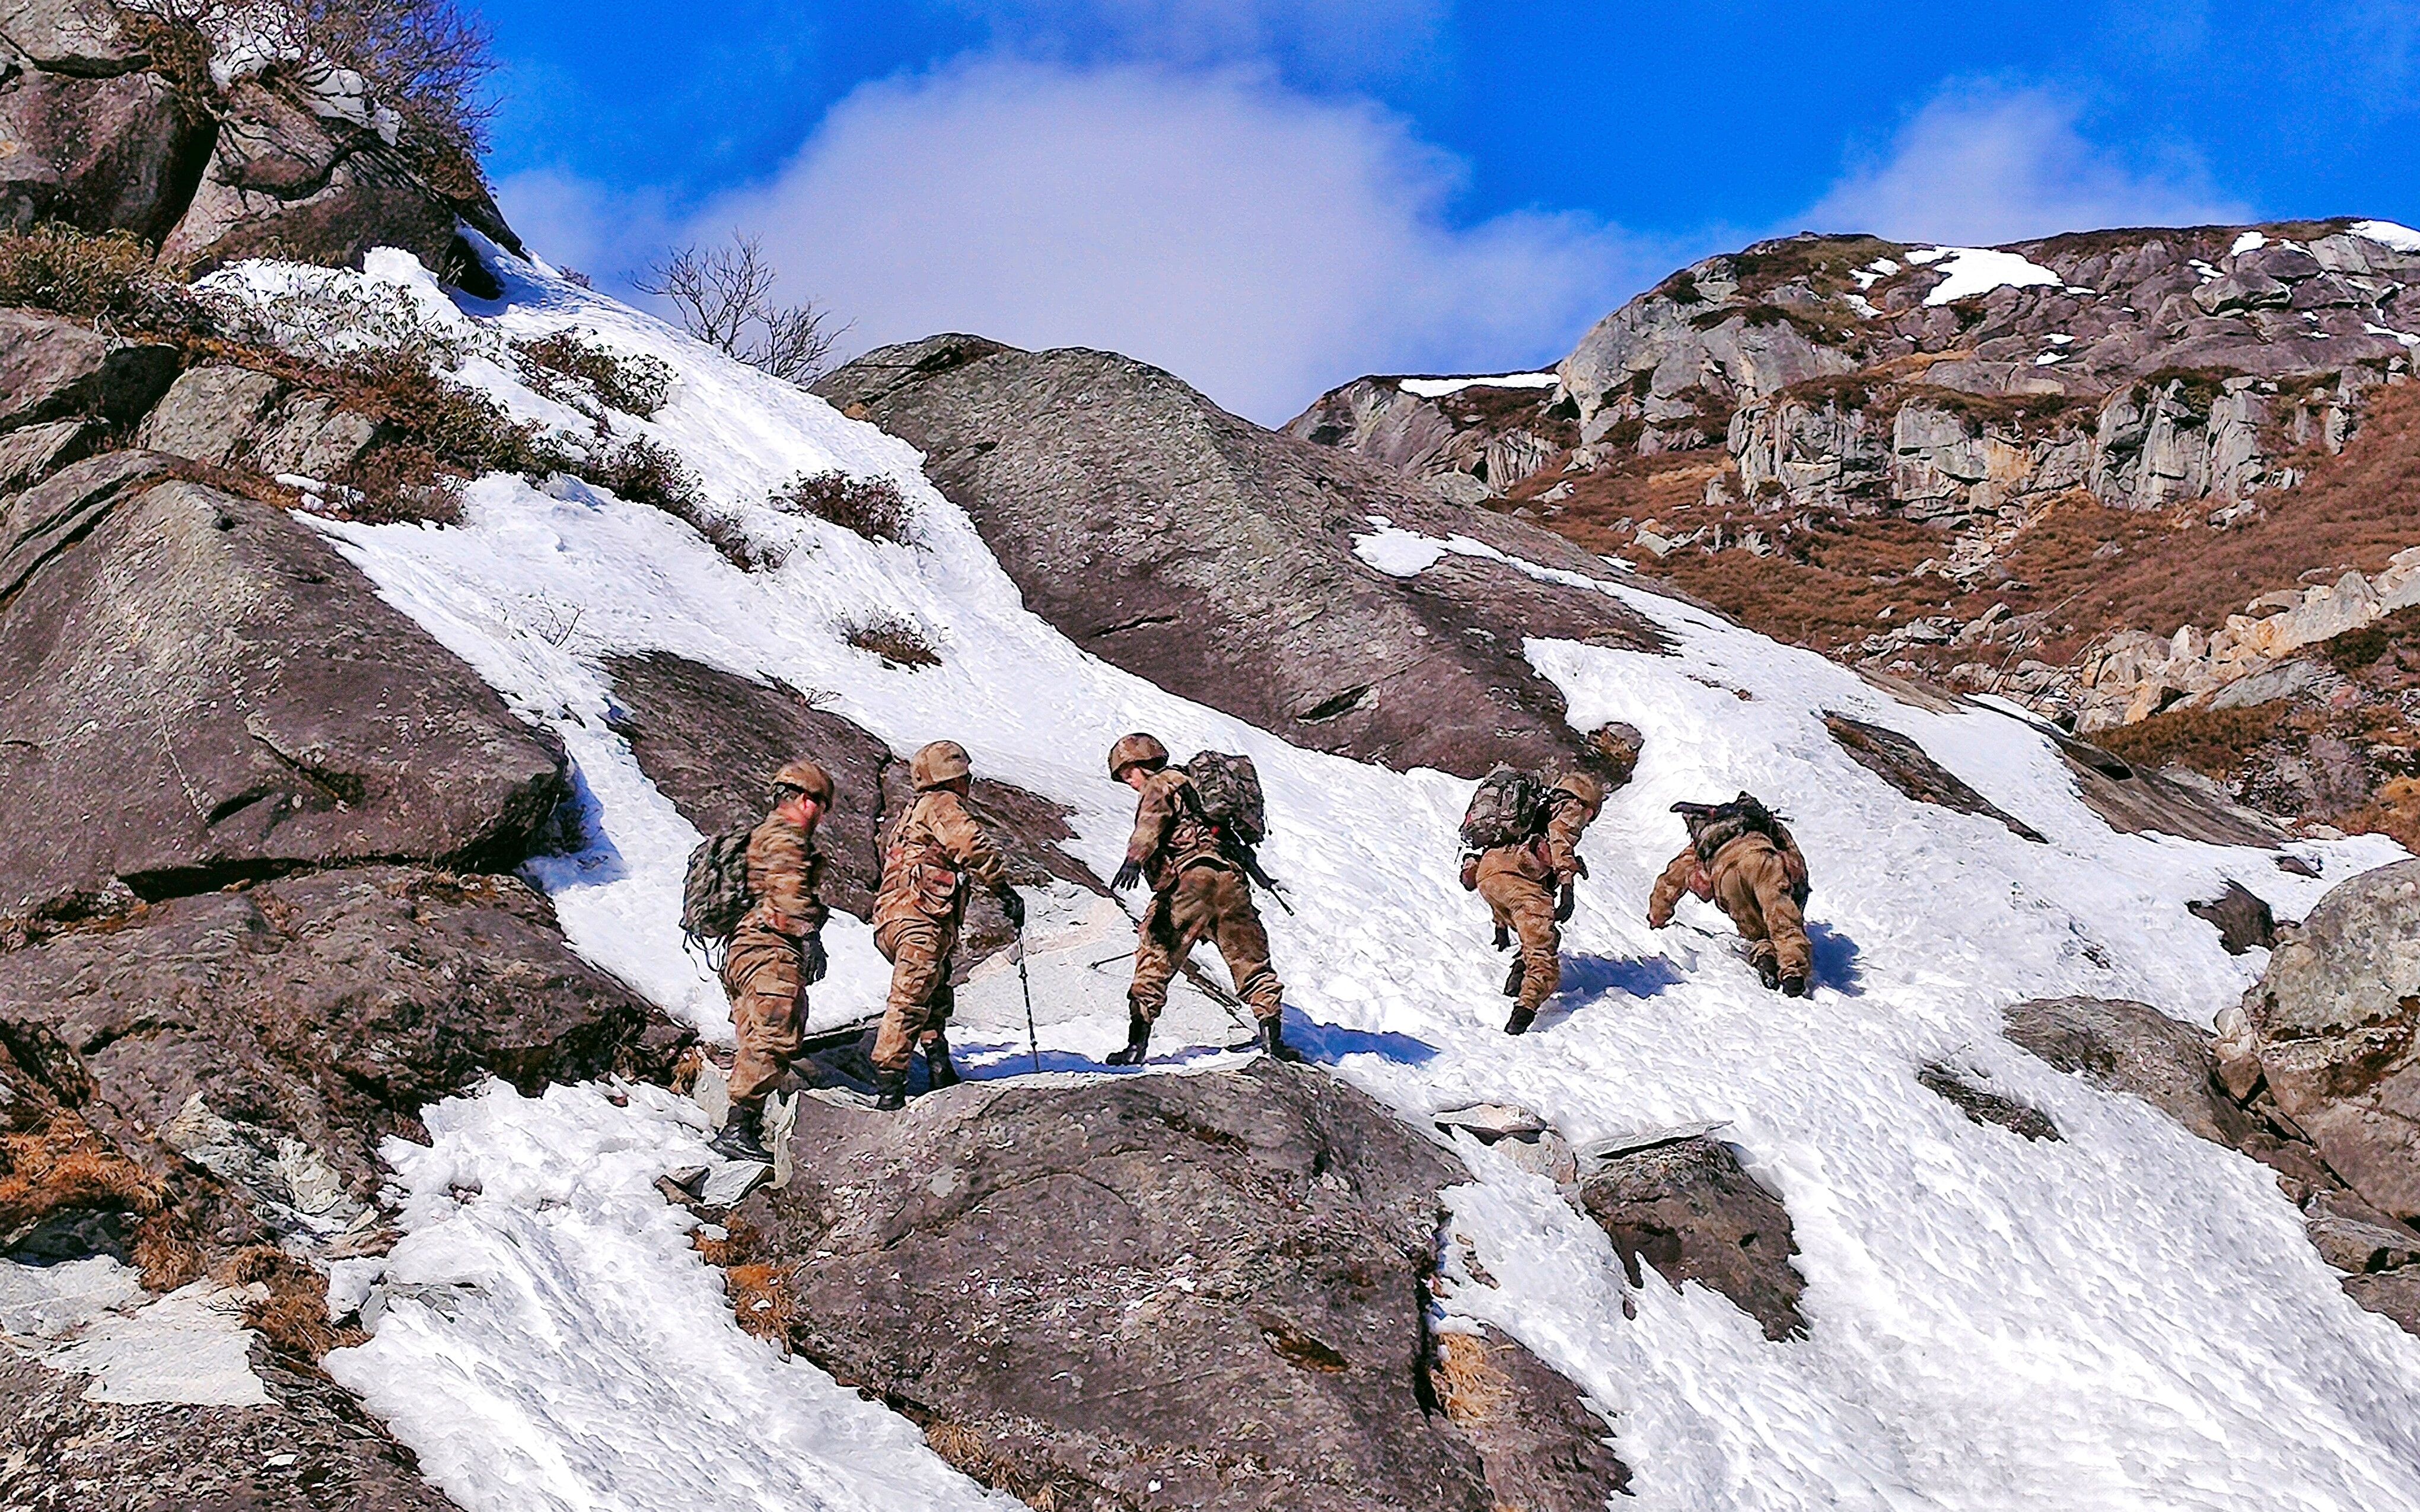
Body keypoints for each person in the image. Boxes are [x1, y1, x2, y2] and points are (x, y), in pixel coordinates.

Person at [1104, 733, 1295, 1066]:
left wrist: (1134, 860)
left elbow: (1150, 825)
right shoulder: (1194, 784)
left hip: (1189, 883)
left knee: (1156, 954)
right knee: (1250, 959)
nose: (1127, 781)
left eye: (1126, 773)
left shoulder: (1160, 785)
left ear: (1139, 763)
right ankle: (1272, 1040)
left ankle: (1136, 1047)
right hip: (1229, 880)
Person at [870, 740, 1023, 1109]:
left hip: (893, 918)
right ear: (952, 777)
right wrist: (1003, 889)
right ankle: (890, 1089)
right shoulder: (942, 804)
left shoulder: (911, 812)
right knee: (910, 998)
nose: (969, 782)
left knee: (932, 991)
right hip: (920, 918)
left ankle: (940, 1068)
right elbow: (970, 846)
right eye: (964, 775)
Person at [709, 760, 833, 1162]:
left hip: (745, 947)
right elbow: (788, 889)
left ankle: (741, 1128)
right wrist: (810, 935)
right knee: (776, 1032)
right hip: (769, 948)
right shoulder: (785, 837)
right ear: (804, 800)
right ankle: (737, 1129)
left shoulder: (764, 835)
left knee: (755, 1032)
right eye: (819, 804)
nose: (819, 815)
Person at [1463, 771, 1604, 1035]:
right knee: (1544, 959)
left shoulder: (1537, 807)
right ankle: (1521, 1018)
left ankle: (1516, 978)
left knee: (1540, 934)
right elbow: (1561, 843)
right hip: (1520, 882)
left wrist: (1501, 925)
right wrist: (1568, 889)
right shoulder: (1573, 808)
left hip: (1488, 875)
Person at [1647, 792, 1812, 996]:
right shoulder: (1762, 825)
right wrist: (1795, 895)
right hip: (1761, 859)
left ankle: (1765, 955)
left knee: (1756, 931)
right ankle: (1792, 973)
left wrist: (1658, 916)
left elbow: (1672, 879)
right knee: (1783, 923)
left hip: (1725, 876)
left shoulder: (1708, 842)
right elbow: (1796, 862)